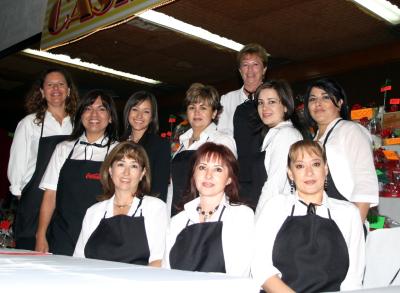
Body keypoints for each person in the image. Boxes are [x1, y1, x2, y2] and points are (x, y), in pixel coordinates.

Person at [252, 140, 365, 292]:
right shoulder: (275, 207)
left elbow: (353, 279)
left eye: (316, 164)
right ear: (290, 173)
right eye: (300, 166)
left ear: (326, 169)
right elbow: (261, 268)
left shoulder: (348, 213)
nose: (309, 172)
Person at [35, 89, 119, 256]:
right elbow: (50, 194)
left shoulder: (119, 151)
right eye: (88, 108)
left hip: (102, 236)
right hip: (63, 235)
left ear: (110, 118)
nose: (94, 114)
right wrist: (41, 234)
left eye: (102, 109)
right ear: (81, 115)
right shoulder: (63, 148)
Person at [8, 68, 79, 250]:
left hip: (68, 202)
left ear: (69, 91)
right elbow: (17, 165)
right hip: (35, 201)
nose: (56, 88)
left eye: (61, 84)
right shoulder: (29, 123)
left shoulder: (78, 125)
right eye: (50, 85)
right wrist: (25, 197)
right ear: (42, 91)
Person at [163, 142, 254, 277]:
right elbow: (166, 271)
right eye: (202, 167)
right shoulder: (178, 221)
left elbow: (239, 274)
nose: (208, 175)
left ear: (229, 179)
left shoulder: (241, 216)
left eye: (217, 169)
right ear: (193, 175)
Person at [73, 142, 167, 266]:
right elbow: (79, 260)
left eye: (134, 166)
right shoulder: (94, 211)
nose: (126, 173)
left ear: (142, 173)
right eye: (121, 164)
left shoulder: (155, 208)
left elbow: (157, 260)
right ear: (110, 170)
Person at [303, 78, 378, 223]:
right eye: (312, 99)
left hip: (346, 217)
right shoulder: (313, 139)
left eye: (325, 97)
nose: (318, 103)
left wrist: (355, 228)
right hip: (319, 218)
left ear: (340, 103)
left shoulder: (351, 130)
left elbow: (365, 181)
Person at [168, 83, 236, 217]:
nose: (197, 112)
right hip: (177, 214)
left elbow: (228, 185)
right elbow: (172, 187)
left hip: (206, 215)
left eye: (203, 108)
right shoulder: (181, 143)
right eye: (192, 107)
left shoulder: (222, 141)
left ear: (214, 113)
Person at [217, 43, 268, 208]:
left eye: (255, 65)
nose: (250, 70)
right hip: (237, 175)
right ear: (240, 71)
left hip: (265, 172)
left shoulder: (273, 100)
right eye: (245, 65)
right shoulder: (227, 100)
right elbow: (223, 137)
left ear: (264, 70)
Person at [254, 80, 303, 218]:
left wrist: (257, 223)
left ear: (286, 106)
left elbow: (274, 186)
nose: (264, 108)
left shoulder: (286, 135)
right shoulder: (275, 134)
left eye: (271, 102)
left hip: (277, 217)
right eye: (260, 102)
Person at [121, 91, 170, 202]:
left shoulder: (160, 145)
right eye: (135, 109)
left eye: (146, 112)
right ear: (128, 112)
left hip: (144, 208)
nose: (139, 116)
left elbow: (159, 188)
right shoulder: (118, 144)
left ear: (152, 116)